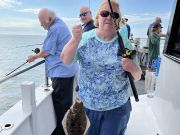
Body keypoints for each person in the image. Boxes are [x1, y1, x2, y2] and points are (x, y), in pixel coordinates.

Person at [61, 0, 142, 135]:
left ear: (118, 20)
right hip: (86, 108)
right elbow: (65, 59)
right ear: (97, 17)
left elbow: (138, 76)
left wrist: (132, 67)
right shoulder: (84, 38)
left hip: (117, 108)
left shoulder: (125, 43)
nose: (109, 17)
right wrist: (74, 40)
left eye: (114, 15)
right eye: (105, 13)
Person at [26, 8, 78, 135]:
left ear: (49, 19)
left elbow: (46, 51)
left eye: (41, 21)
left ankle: (64, 132)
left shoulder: (54, 29)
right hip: (67, 71)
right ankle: (66, 130)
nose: (41, 24)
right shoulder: (60, 24)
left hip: (61, 73)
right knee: (65, 105)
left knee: (62, 108)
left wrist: (34, 57)